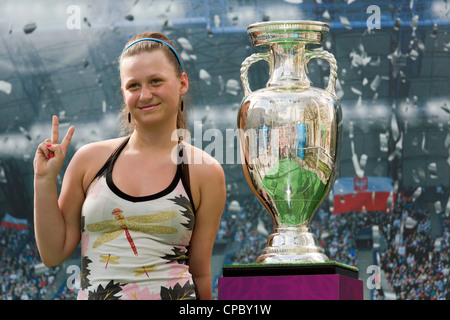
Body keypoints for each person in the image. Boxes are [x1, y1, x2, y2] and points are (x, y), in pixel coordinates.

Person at [33, 32, 226, 300]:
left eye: (155, 81)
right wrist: (43, 180)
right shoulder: (88, 161)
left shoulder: (205, 171)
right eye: (133, 86)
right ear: (123, 93)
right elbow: (53, 254)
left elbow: (201, 272)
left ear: (182, 83)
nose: (145, 94)